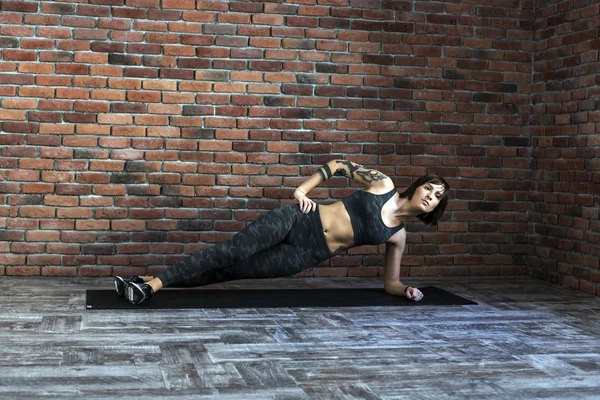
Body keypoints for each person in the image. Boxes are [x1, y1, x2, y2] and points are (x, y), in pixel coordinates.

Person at [114, 159, 450, 305]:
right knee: (231, 250)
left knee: (229, 271)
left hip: (304, 254)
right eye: (430, 189)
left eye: (436, 198)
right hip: (299, 219)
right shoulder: (383, 185)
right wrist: (302, 191)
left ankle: (147, 282)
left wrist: (405, 289)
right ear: (419, 185)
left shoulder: (398, 236)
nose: (430, 197)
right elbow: (337, 166)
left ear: (434, 209)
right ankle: (152, 287)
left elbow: (390, 282)